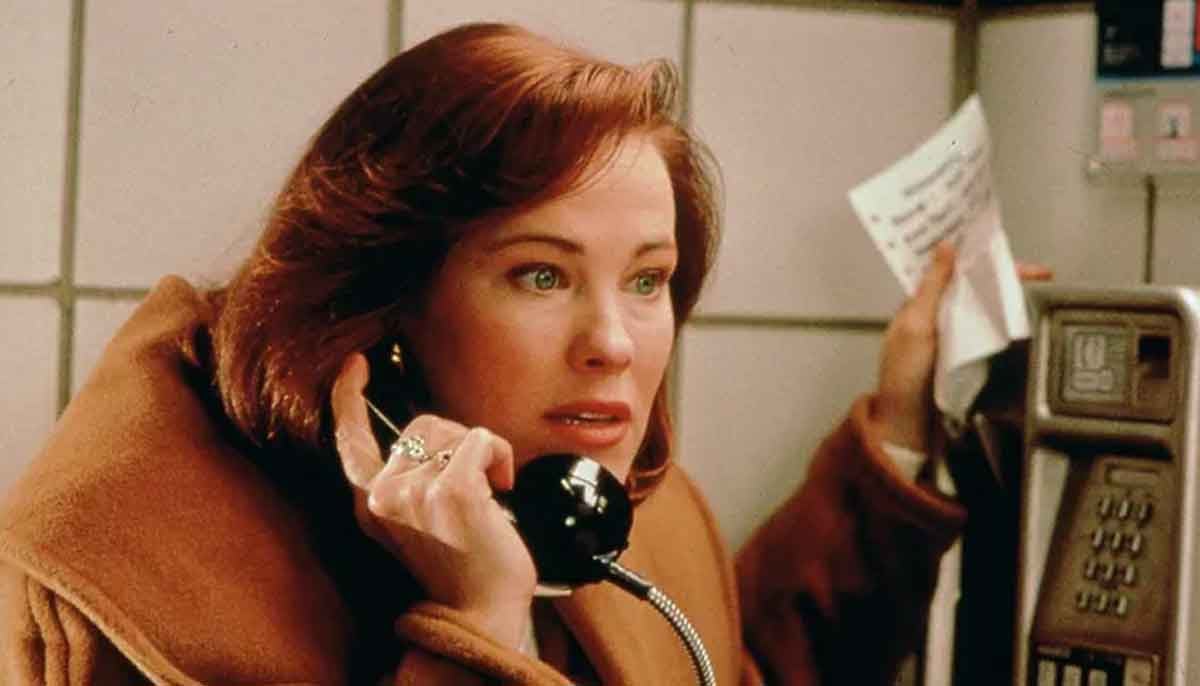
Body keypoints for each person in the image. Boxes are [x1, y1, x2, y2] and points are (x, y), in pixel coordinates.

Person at [0, 22, 1044, 686]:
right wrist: (475, 626)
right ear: (385, 308)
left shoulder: (606, 508)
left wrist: (900, 427)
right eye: (542, 275)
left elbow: (733, 666)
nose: (613, 345)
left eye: (647, 281)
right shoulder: (119, 610)